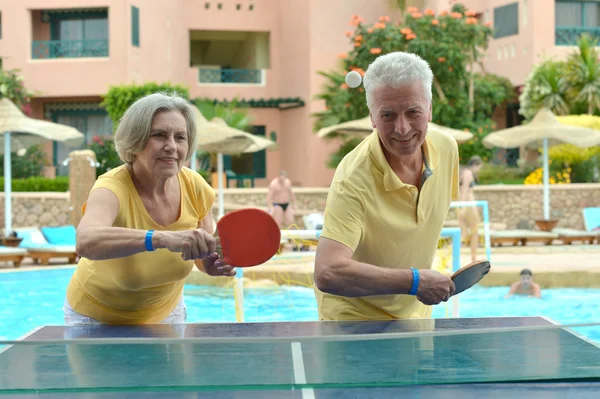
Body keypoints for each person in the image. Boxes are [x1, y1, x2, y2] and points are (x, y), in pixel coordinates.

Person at [63, 92, 235, 326]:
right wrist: (161, 239)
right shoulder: (112, 187)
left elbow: (202, 257)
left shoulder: (197, 188)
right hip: (97, 316)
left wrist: (211, 265)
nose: (172, 146)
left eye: (180, 137)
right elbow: (85, 241)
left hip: (168, 313)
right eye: (159, 135)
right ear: (135, 142)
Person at [313, 51, 461, 321]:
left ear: (429, 110)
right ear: (372, 117)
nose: (402, 128)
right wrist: (414, 282)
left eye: (413, 112)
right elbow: (328, 272)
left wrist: (415, 286)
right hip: (353, 322)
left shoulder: (447, 148)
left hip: (415, 316)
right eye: (388, 115)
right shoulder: (352, 178)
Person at [458, 155, 484, 263]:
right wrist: (463, 206)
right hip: (467, 203)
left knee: (464, 232)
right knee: (474, 230)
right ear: (474, 165)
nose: (478, 170)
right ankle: (473, 257)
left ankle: (454, 256)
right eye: (479, 167)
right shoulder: (468, 173)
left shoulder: (463, 172)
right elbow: (464, 189)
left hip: (465, 203)